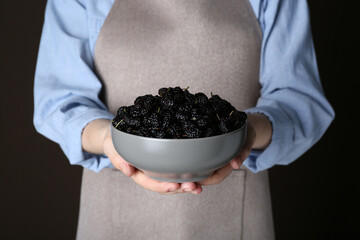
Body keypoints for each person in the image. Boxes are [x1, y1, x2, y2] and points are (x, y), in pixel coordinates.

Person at [33, 0, 334, 239]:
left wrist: (247, 133)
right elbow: (59, 99)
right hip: (113, 216)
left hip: (236, 215)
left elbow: (299, 98)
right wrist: (108, 139)